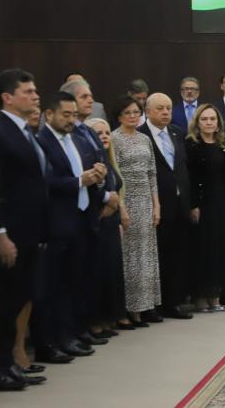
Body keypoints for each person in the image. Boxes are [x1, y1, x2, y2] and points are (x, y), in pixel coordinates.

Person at [0, 69, 51, 390]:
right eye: (28, 91)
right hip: (11, 233)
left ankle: (9, 362)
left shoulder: (27, 132)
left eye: (35, 90)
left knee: (20, 297)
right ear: (7, 98)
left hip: (31, 231)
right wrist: (1, 233)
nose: (35, 96)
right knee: (4, 302)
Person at [34, 91, 107, 359]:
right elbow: (46, 183)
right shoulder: (42, 141)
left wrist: (98, 176)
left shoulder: (75, 139)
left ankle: (70, 334)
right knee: (53, 285)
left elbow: (87, 172)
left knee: (74, 281)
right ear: (49, 114)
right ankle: (50, 342)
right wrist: (80, 181)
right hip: (57, 221)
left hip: (82, 219)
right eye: (65, 115)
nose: (70, 120)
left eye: (73, 115)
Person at [138, 93, 193, 319]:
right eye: (160, 108)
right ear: (148, 111)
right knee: (157, 254)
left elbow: (183, 167)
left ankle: (174, 301)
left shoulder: (178, 133)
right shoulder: (140, 135)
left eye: (168, 108)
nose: (165, 112)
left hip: (181, 202)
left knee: (178, 253)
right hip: (156, 204)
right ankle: (154, 303)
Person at [111, 95, 162, 327]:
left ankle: (148, 305)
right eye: (127, 113)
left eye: (135, 112)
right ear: (119, 116)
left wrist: (156, 204)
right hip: (127, 200)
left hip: (146, 200)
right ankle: (131, 309)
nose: (132, 116)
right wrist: (121, 208)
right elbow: (115, 175)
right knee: (131, 257)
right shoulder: (115, 138)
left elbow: (152, 173)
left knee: (148, 256)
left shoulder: (145, 139)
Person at [85, 118, 133, 336]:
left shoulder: (108, 159)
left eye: (106, 132)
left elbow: (116, 190)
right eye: (98, 133)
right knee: (96, 273)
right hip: (97, 222)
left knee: (111, 271)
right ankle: (95, 320)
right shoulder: (89, 160)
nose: (104, 136)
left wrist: (120, 209)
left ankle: (110, 316)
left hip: (112, 222)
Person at [186, 104, 225, 313]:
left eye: (212, 119)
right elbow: (190, 178)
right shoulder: (192, 145)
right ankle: (199, 297)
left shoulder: (223, 145)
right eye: (204, 119)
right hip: (202, 204)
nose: (208, 123)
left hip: (221, 202)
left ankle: (215, 296)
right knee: (202, 250)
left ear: (218, 123)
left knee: (218, 249)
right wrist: (194, 204)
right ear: (197, 122)